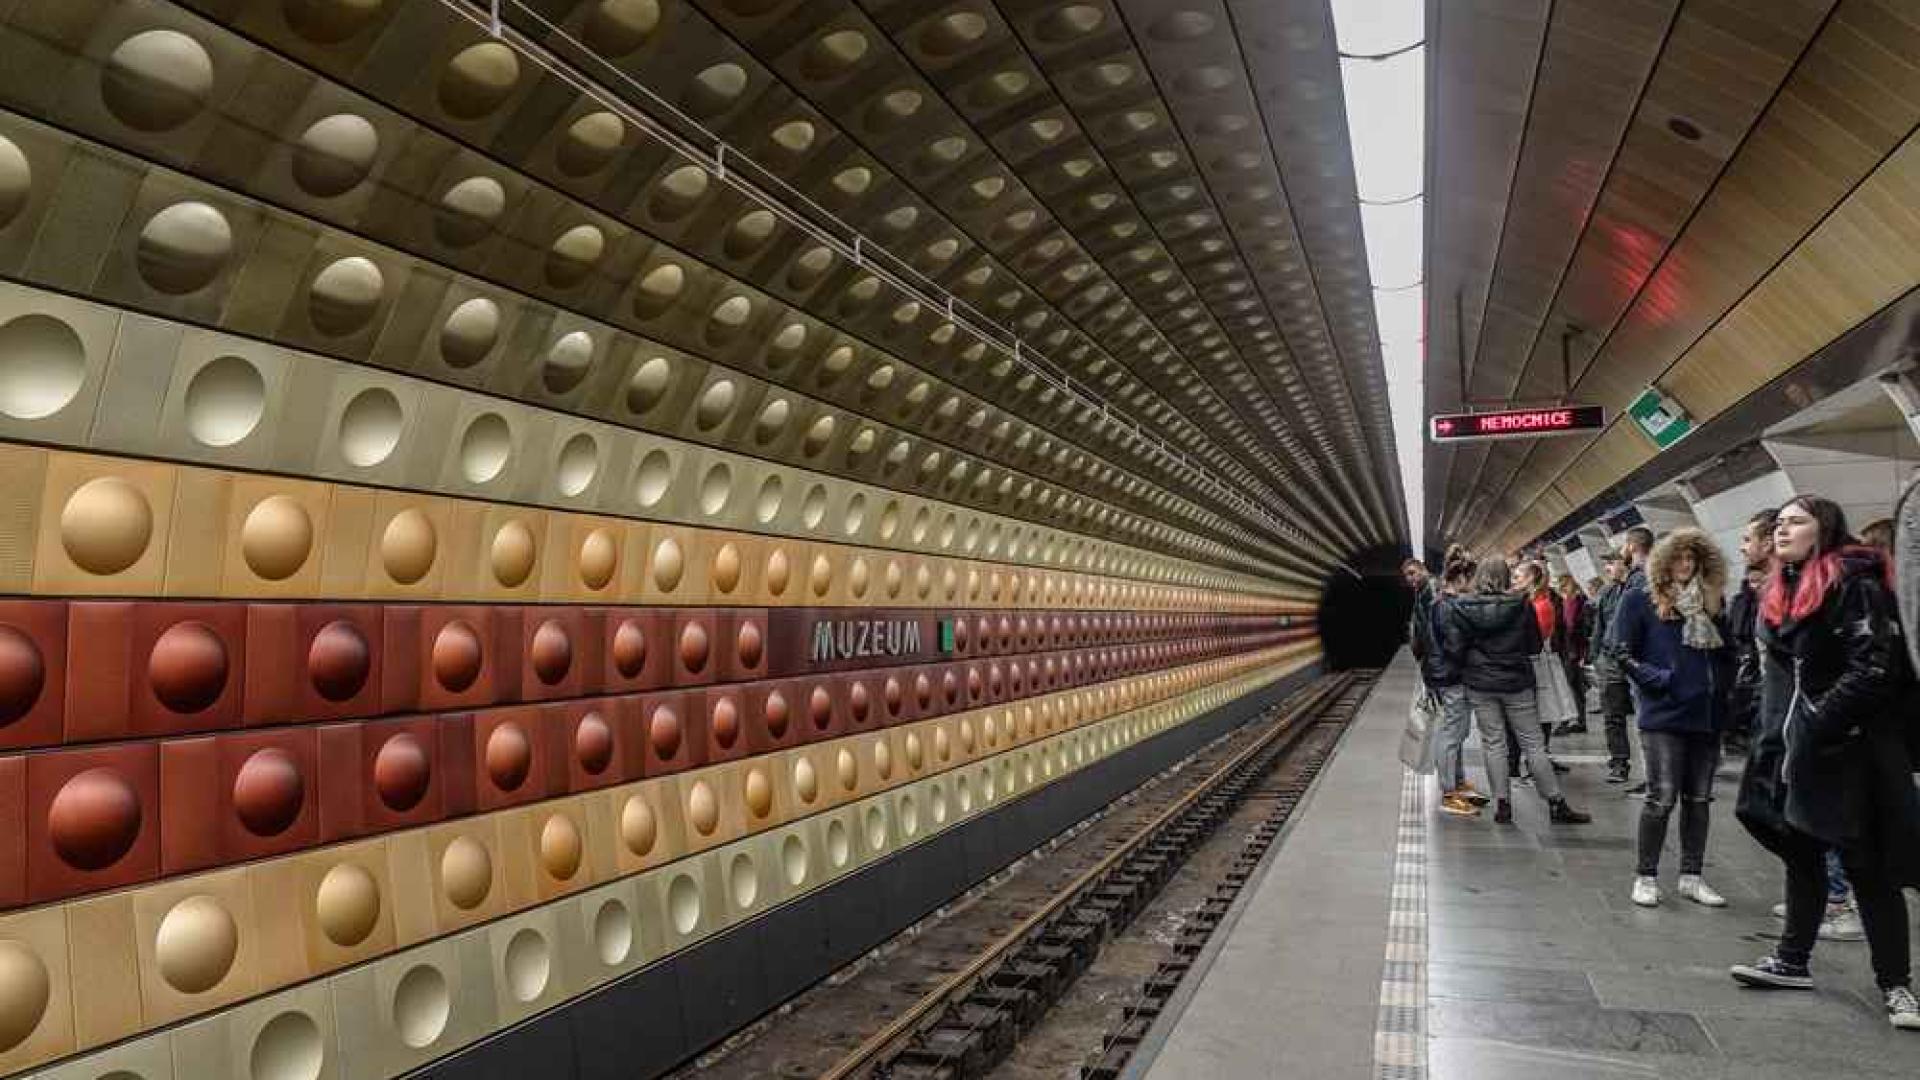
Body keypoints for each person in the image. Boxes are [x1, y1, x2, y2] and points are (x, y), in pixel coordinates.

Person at [1730, 496, 1920, 1030]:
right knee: (1802, 853)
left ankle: (1896, 986)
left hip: (1851, 748)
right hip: (1794, 749)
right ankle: (1792, 959)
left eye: (1795, 522)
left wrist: (1815, 724)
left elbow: (1874, 667)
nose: (1782, 530)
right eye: (1780, 523)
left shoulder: (1854, 583)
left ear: (1824, 530)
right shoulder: (1782, 589)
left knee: (1869, 868)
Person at [1611, 528, 1733, 908]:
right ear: (1663, 561)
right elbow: (1619, 649)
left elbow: (1725, 651)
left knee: (1699, 799)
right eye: (1678, 558)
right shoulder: (1638, 600)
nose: (1686, 565)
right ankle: (1645, 876)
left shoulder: (1712, 603)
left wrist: (1725, 687)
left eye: (1692, 559)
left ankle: (1691, 876)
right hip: (1663, 712)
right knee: (1661, 797)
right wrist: (1660, 681)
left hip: (1706, 714)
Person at [1439, 557, 1592, 825]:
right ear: (1505, 578)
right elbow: (1534, 645)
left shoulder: (1461, 607)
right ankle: (1556, 803)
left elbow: (1454, 648)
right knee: (1532, 743)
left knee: (1493, 743)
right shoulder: (1521, 605)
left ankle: (1503, 805)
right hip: (1516, 683)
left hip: (1480, 684)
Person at [1428, 549, 1488, 816]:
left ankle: (1458, 783)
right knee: (1452, 735)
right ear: (1462, 578)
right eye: (1472, 579)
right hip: (1453, 676)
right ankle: (1449, 793)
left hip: (1452, 675)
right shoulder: (1447, 606)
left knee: (1458, 733)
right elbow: (1454, 646)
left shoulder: (1446, 603)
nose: (1474, 585)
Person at [1511, 560, 1569, 783]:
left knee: (1540, 714)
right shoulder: (1532, 601)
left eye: (1518, 576)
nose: (1514, 581)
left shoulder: (1540, 605)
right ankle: (1536, 760)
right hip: (1534, 663)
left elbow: (1536, 639)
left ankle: (1537, 762)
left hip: (1537, 664)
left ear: (1531, 579)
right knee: (1538, 715)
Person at [1590, 553, 1637, 782]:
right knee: (1612, 716)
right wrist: (1595, 656)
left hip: (1636, 660)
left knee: (1644, 715)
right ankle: (1619, 762)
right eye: (1605, 563)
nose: (1607, 568)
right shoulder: (1607, 593)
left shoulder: (1636, 589)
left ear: (1624, 563)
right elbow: (1599, 626)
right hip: (1610, 661)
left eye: (1611, 563)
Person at [1554, 572, 1592, 736]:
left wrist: (1583, 653)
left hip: (1571, 650)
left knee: (1569, 687)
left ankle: (1568, 721)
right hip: (1571, 650)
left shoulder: (1574, 603)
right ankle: (1579, 720)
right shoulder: (1575, 602)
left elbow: (1574, 628)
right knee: (1575, 687)